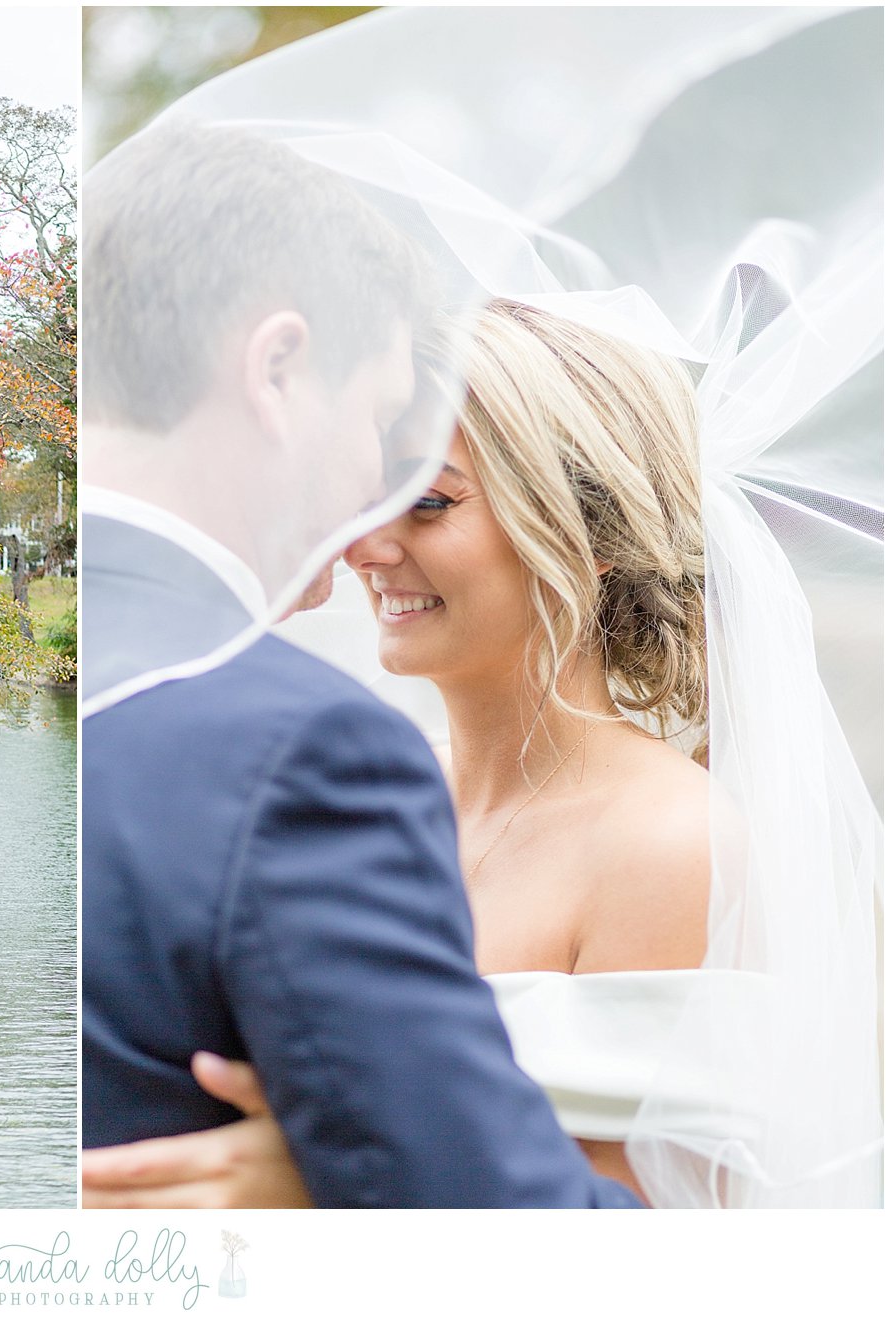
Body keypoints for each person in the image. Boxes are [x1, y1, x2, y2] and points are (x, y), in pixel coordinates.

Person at [81, 123, 638, 1208]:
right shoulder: (296, 750)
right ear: (278, 367)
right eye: (380, 420)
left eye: (424, 490)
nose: (369, 512)